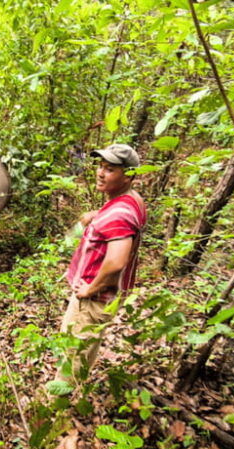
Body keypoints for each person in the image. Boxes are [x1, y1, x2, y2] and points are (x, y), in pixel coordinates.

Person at [57, 143, 147, 383]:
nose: (100, 172)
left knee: (72, 357)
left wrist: (91, 288)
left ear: (129, 175)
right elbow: (121, 217)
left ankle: (56, 409)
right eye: (100, 166)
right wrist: (97, 214)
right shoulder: (131, 201)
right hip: (104, 297)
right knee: (84, 352)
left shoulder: (119, 215)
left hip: (93, 299)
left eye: (110, 170)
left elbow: (117, 261)